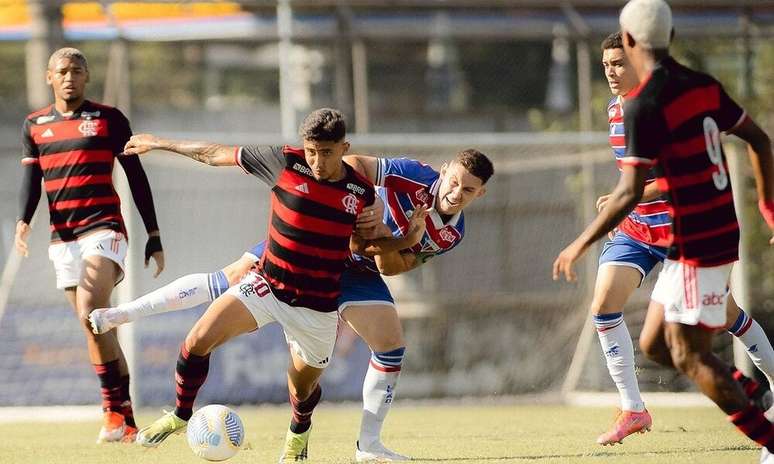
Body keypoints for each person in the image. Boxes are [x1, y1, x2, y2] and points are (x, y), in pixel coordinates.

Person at [89, 148, 494, 462]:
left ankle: (368, 445)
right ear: (443, 171)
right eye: (455, 182)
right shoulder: (412, 175)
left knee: (391, 345)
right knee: (227, 278)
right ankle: (122, 314)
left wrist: (401, 235)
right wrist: (362, 205)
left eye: (469, 190)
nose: (457, 194)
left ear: (480, 194)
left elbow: (393, 265)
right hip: (316, 241)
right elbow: (353, 163)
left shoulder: (451, 235)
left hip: (356, 270)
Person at [122, 108, 423, 462]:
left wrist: (406, 239)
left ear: (345, 147)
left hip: (317, 308)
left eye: (326, 152)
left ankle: (298, 436)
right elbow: (213, 154)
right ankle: (180, 415)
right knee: (196, 340)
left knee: (301, 386)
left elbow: (363, 248)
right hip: (266, 287)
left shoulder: (360, 192)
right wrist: (159, 143)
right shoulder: (283, 162)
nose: (317, 161)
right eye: (311, 151)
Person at [553, 0, 774, 458]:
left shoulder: (647, 104)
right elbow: (757, 139)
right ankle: (645, 406)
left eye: (618, 58)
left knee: (691, 352)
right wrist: (769, 208)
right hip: (684, 234)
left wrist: (581, 240)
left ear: (631, 42)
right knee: (654, 342)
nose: (612, 70)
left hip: (692, 237)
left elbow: (630, 190)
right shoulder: (699, 86)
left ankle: (767, 430)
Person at [15, 47, 164, 444]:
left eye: (77, 71)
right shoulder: (34, 125)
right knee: (93, 325)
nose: (69, 77)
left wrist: (153, 234)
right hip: (62, 238)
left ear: (86, 76)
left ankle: (111, 413)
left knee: (90, 307)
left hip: (105, 229)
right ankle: (123, 417)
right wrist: (23, 222)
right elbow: (32, 183)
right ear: (49, 77)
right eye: (62, 71)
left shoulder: (109, 120)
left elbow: (136, 176)